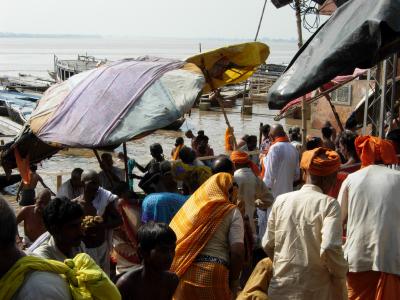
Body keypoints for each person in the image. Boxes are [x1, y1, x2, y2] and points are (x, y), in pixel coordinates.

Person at [263, 147, 348, 299]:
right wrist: (341, 271)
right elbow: (330, 247)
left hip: (280, 289)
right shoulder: (329, 204)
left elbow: (268, 243)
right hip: (314, 292)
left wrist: (284, 264)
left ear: (304, 173)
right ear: (331, 179)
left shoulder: (281, 200)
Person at [338, 136, 400, 299]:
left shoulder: (351, 179)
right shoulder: (398, 178)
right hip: (392, 261)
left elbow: (337, 221)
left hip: (357, 259)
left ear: (363, 154)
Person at [171, 173, 245, 299]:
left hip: (184, 270)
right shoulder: (231, 211)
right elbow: (237, 252)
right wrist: (233, 282)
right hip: (215, 271)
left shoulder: (193, 206)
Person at [0, 197, 72, 299]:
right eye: (39, 202)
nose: (41, 206)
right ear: (35, 200)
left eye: (44, 204)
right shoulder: (26, 211)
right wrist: (19, 241)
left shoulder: (38, 293)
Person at [74, 170, 122, 275]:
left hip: (101, 247)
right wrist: (82, 228)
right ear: (82, 183)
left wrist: (102, 226)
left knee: (104, 278)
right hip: (85, 250)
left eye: (98, 183)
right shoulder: (75, 205)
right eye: (92, 183)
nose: (96, 187)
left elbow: (119, 220)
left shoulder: (104, 202)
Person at [116, 222, 178, 300]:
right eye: (163, 250)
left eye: (172, 249)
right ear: (142, 252)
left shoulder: (172, 280)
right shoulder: (127, 284)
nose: (170, 256)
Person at [262, 124, 300, 232]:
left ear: (271, 137)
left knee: (273, 227)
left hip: (275, 197)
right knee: (285, 227)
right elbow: (297, 175)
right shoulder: (294, 149)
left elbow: (268, 179)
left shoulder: (274, 148)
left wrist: (261, 194)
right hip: (289, 195)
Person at [230, 151, 273, 243]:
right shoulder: (255, 178)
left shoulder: (231, 178)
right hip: (250, 227)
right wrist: (254, 203)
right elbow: (269, 200)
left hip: (232, 227)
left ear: (234, 163)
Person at [32, 197, 86, 261]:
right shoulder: (42, 259)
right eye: (73, 227)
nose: (81, 232)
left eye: (80, 224)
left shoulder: (78, 246)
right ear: (55, 230)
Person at [112, 183, 141, 274]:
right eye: (127, 190)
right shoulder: (121, 203)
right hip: (122, 235)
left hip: (119, 237)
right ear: (122, 192)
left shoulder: (117, 202)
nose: (130, 192)